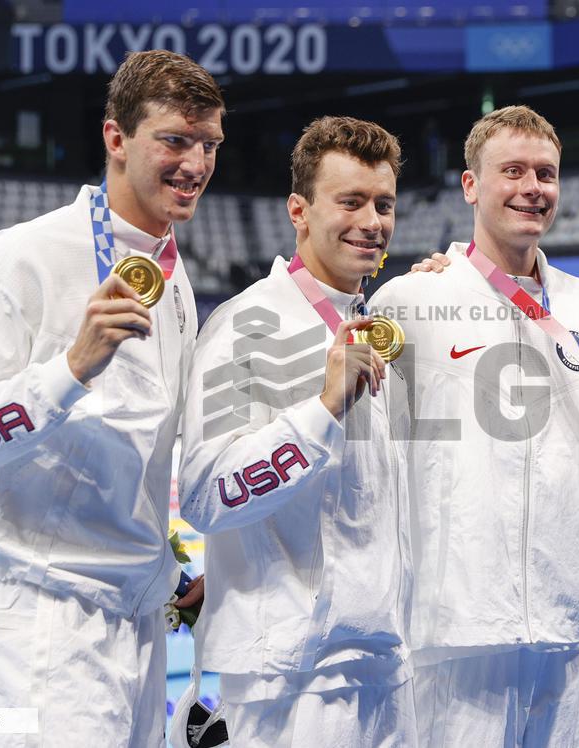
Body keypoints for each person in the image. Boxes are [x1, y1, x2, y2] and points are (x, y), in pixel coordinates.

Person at [0, 50, 223, 746]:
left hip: (139, 625)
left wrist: (171, 573)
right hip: (42, 627)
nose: (196, 163)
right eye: (175, 139)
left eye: (209, 144)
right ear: (117, 138)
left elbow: (123, 460)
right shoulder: (21, 256)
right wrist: (69, 369)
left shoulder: (173, 280)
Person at [369, 105, 579, 747]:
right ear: (471, 185)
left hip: (562, 619)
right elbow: (369, 462)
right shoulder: (409, 302)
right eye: (513, 171)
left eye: (546, 174)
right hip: (453, 629)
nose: (533, 187)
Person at [175, 116, 415, 747]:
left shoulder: (375, 322)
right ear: (299, 211)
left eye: (383, 204)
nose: (372, 221)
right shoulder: (245, 325)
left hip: (382, 663)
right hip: (289, 679)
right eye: (351, 201)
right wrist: (322, 409)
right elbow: (205, 495)